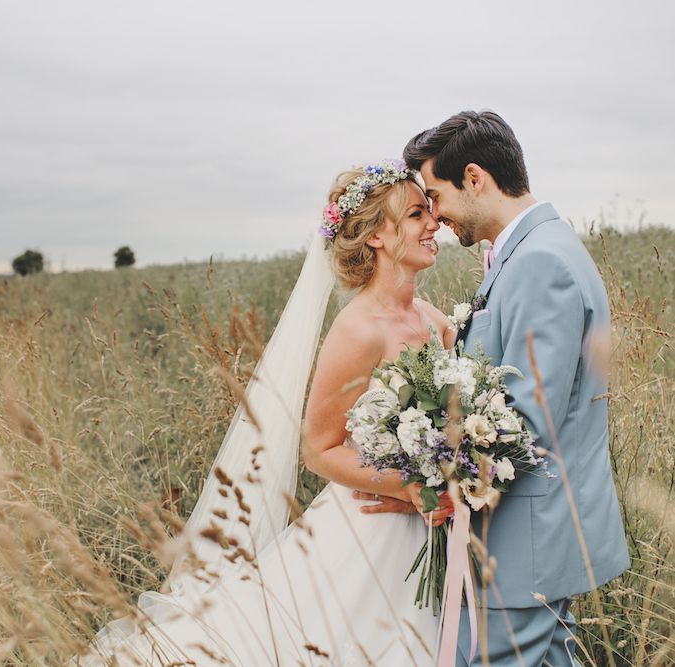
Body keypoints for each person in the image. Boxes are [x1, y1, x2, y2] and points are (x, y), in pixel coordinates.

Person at [77, 160, 455, 666]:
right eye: (415, 214)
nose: (433, 222)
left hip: (432, 522)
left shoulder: (432, 319)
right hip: (372, 526)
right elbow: (318, 450)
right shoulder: (357, 330)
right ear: (376, 238)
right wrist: (408, 486)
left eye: (429, 211)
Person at [393, 110, 630, 666]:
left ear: (474, 178)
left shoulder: (539, 262)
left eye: (436, 194)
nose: (436, 215)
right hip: (541, 536)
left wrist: (435, 473)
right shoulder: (534, 248)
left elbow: (525, 420)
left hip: (524, 543)